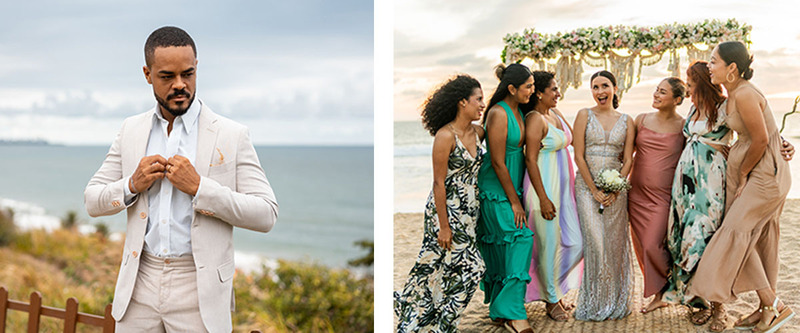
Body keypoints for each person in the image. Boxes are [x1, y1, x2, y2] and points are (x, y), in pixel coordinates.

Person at [84, 26, 279, 332]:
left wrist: (201, 188)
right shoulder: (131, 130)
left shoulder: (231, 134)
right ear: (148, 74)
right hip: (139, 282)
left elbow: (266, 214)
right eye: (167, 77)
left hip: (199, 290)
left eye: (187, 74)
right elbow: (92, 201)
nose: (180, 85)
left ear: (197, 68)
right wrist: (132, 184)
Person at [690, 41, 794, 333]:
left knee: (734, 232)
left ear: (732, 68)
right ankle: (764, 308)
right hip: (753, 171)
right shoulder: (733, 94)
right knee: (754, 240)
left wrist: (745, 174)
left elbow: (761, 140)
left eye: (713, 62)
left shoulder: (746, 93)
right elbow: (757, 133)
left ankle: (774, 305)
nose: (709, 66)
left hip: (763, 176)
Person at [394, 75, 487, 332]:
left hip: (470, 211)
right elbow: (438, 183)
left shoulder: (479, 132)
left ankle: (436, 321)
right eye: (478, 99)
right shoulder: (445, 136)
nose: (482, 104)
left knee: (451, 269)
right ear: (462, 102)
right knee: (468, 268)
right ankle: (437, 323)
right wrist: (444, 226)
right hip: (445, 210)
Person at [661, 61, 730, 328]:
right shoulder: (692, 108)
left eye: (689, 82)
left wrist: (781, 145)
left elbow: (750, 132)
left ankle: (719, 309)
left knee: (709, 237)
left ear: (700, 81)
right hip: (686, 184)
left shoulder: (726, 105)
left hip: (711, 182)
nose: (687, 87)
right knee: (687, 238)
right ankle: (697, 300)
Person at [572, 70, 635, 321]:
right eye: (595, 87)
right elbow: (578, 156)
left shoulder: (627, 120)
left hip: (616, 191)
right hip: (587, 188)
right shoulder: (583, 115)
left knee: (614, 244)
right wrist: (595, 190)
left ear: (615, 88)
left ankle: (616, 302)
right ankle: (594, 303)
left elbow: (629, 158)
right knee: (595, 243)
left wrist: (616, 187)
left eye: (605, 86)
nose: (600, 91)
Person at [477, 63, 535, 333]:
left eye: (533, 86)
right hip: (497, 186)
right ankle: (512, 312)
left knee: (506, 243)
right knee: (520, 238)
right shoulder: (499, 113)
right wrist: (513, 201)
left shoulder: (519, 110)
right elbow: (498, 162)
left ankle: (500, 308)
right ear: (511, 88)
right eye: (527, 87)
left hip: (513, 183)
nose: (531, 91)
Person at [520, 70, 583, 321]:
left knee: (576, 243)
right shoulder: (536, 119)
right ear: (539, 93)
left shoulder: (555, 113)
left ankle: (551, 290)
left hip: (565, 190)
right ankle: (552, 299)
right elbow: (530, 159)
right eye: (554, 89)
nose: (558, 93)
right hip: (543, 189)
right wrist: (543, 198)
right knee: (547, 247)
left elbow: (574, 141)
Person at [628, 77, 687, 314]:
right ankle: (659, 293)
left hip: (663, 197)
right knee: (642, 246)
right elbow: (625, 154)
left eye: (662, 92)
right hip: (636, 194)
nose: (656, 94)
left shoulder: (684, 126)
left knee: (654, 244)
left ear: (677, 100)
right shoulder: (640, 120)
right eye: (656, 90)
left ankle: (663, 292)